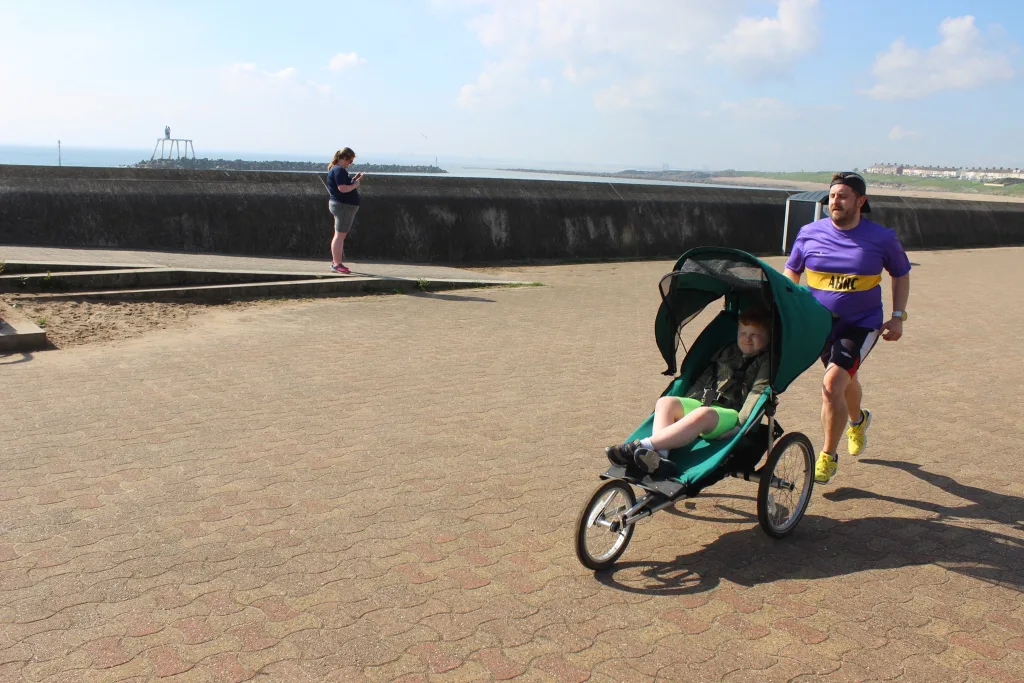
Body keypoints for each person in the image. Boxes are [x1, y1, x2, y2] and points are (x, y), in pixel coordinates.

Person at [783, 171, 911, 484]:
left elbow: (900, 273)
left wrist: (898, 316)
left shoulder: (882, 238)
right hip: (819, 324)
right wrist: (786, 309)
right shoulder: (809, 233)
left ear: (860, 201)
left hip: (861, 324)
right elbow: (792, 273)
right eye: (831, 196)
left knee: (831, 386)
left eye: (842, 196)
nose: (834, 202)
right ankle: (858, 420)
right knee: (843, 381)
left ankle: (828, 456)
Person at [606, 304, 773, 473]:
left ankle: (641, 446)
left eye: (755, 335)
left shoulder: (766, 361)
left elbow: (757, 393)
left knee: (703, 413)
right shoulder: (727, 351)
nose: (747, 339)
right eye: (743, 333)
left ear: (768, 338)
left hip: (731, 415)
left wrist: (740, 426)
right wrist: (686, 404)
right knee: (666, 402)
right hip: (705, 404)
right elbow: (707, 376)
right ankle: (661, 457)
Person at [326, 148, 363, 274]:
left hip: (341, 205)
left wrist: (353, 180)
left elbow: (343, 185)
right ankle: (337, 264)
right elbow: (342, 188)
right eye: (350, 161)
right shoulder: (339, 170)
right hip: (343, 206)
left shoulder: (336, 170)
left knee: (339, 235)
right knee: (339, 236)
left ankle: (335, 262)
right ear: (344, 158)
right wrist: (355, 185)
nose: (350, 163)